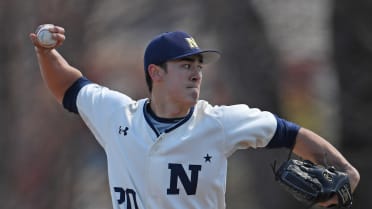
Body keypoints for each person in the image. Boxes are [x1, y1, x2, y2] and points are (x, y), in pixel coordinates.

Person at [29, 24, 359, 209]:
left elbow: (288, 133)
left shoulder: (219, 123)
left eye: (198, 67)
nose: (196, 75)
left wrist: (344, 170)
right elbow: (69, 86)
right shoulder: (117, 115)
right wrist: (45, 52)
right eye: (186, 66)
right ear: (155, 72)